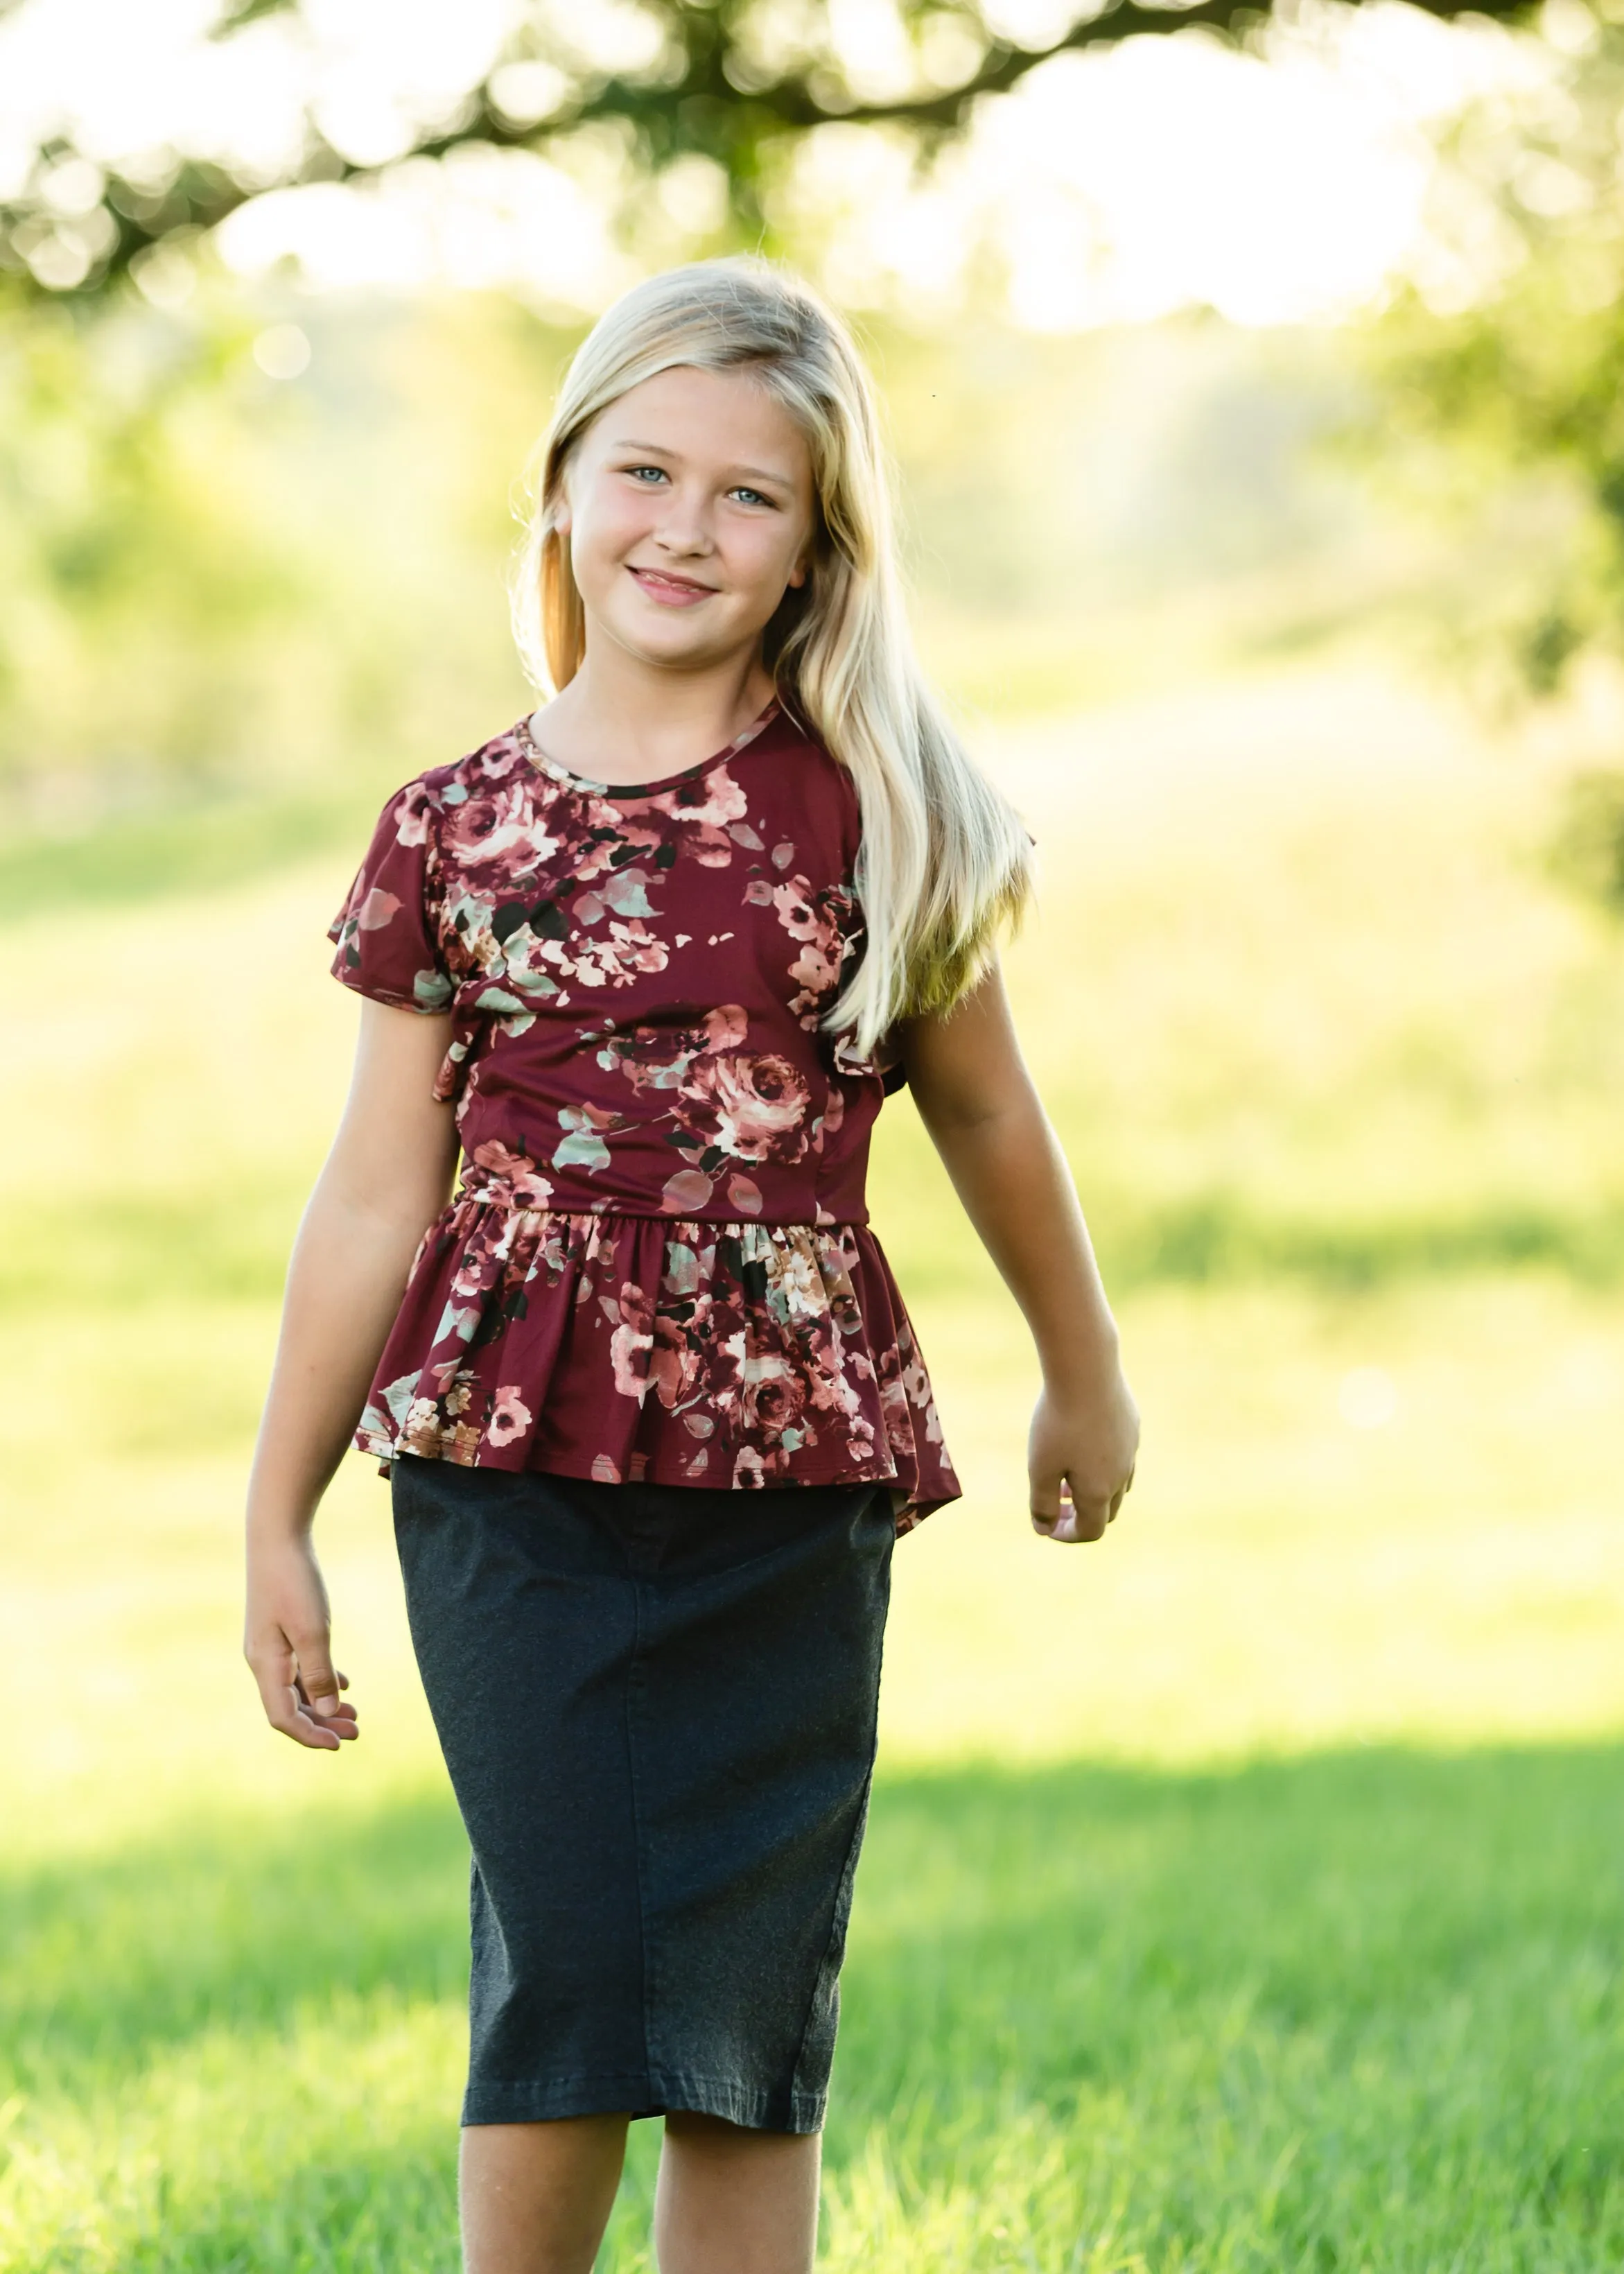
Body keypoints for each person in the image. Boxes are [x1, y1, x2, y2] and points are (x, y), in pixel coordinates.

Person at [243, 255, 1139, 2274]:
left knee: (745, 2006)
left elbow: (987, 1114)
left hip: (788, 1474)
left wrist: (1081, 1369)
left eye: (753, 496)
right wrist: (274, 1511)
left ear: (821, 545)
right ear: (560, 482)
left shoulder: (884, 816)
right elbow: (374, 1192)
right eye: (645, 470)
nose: (686, 527)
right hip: (507, 1464)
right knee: (561, 1960)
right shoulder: (450, 833)